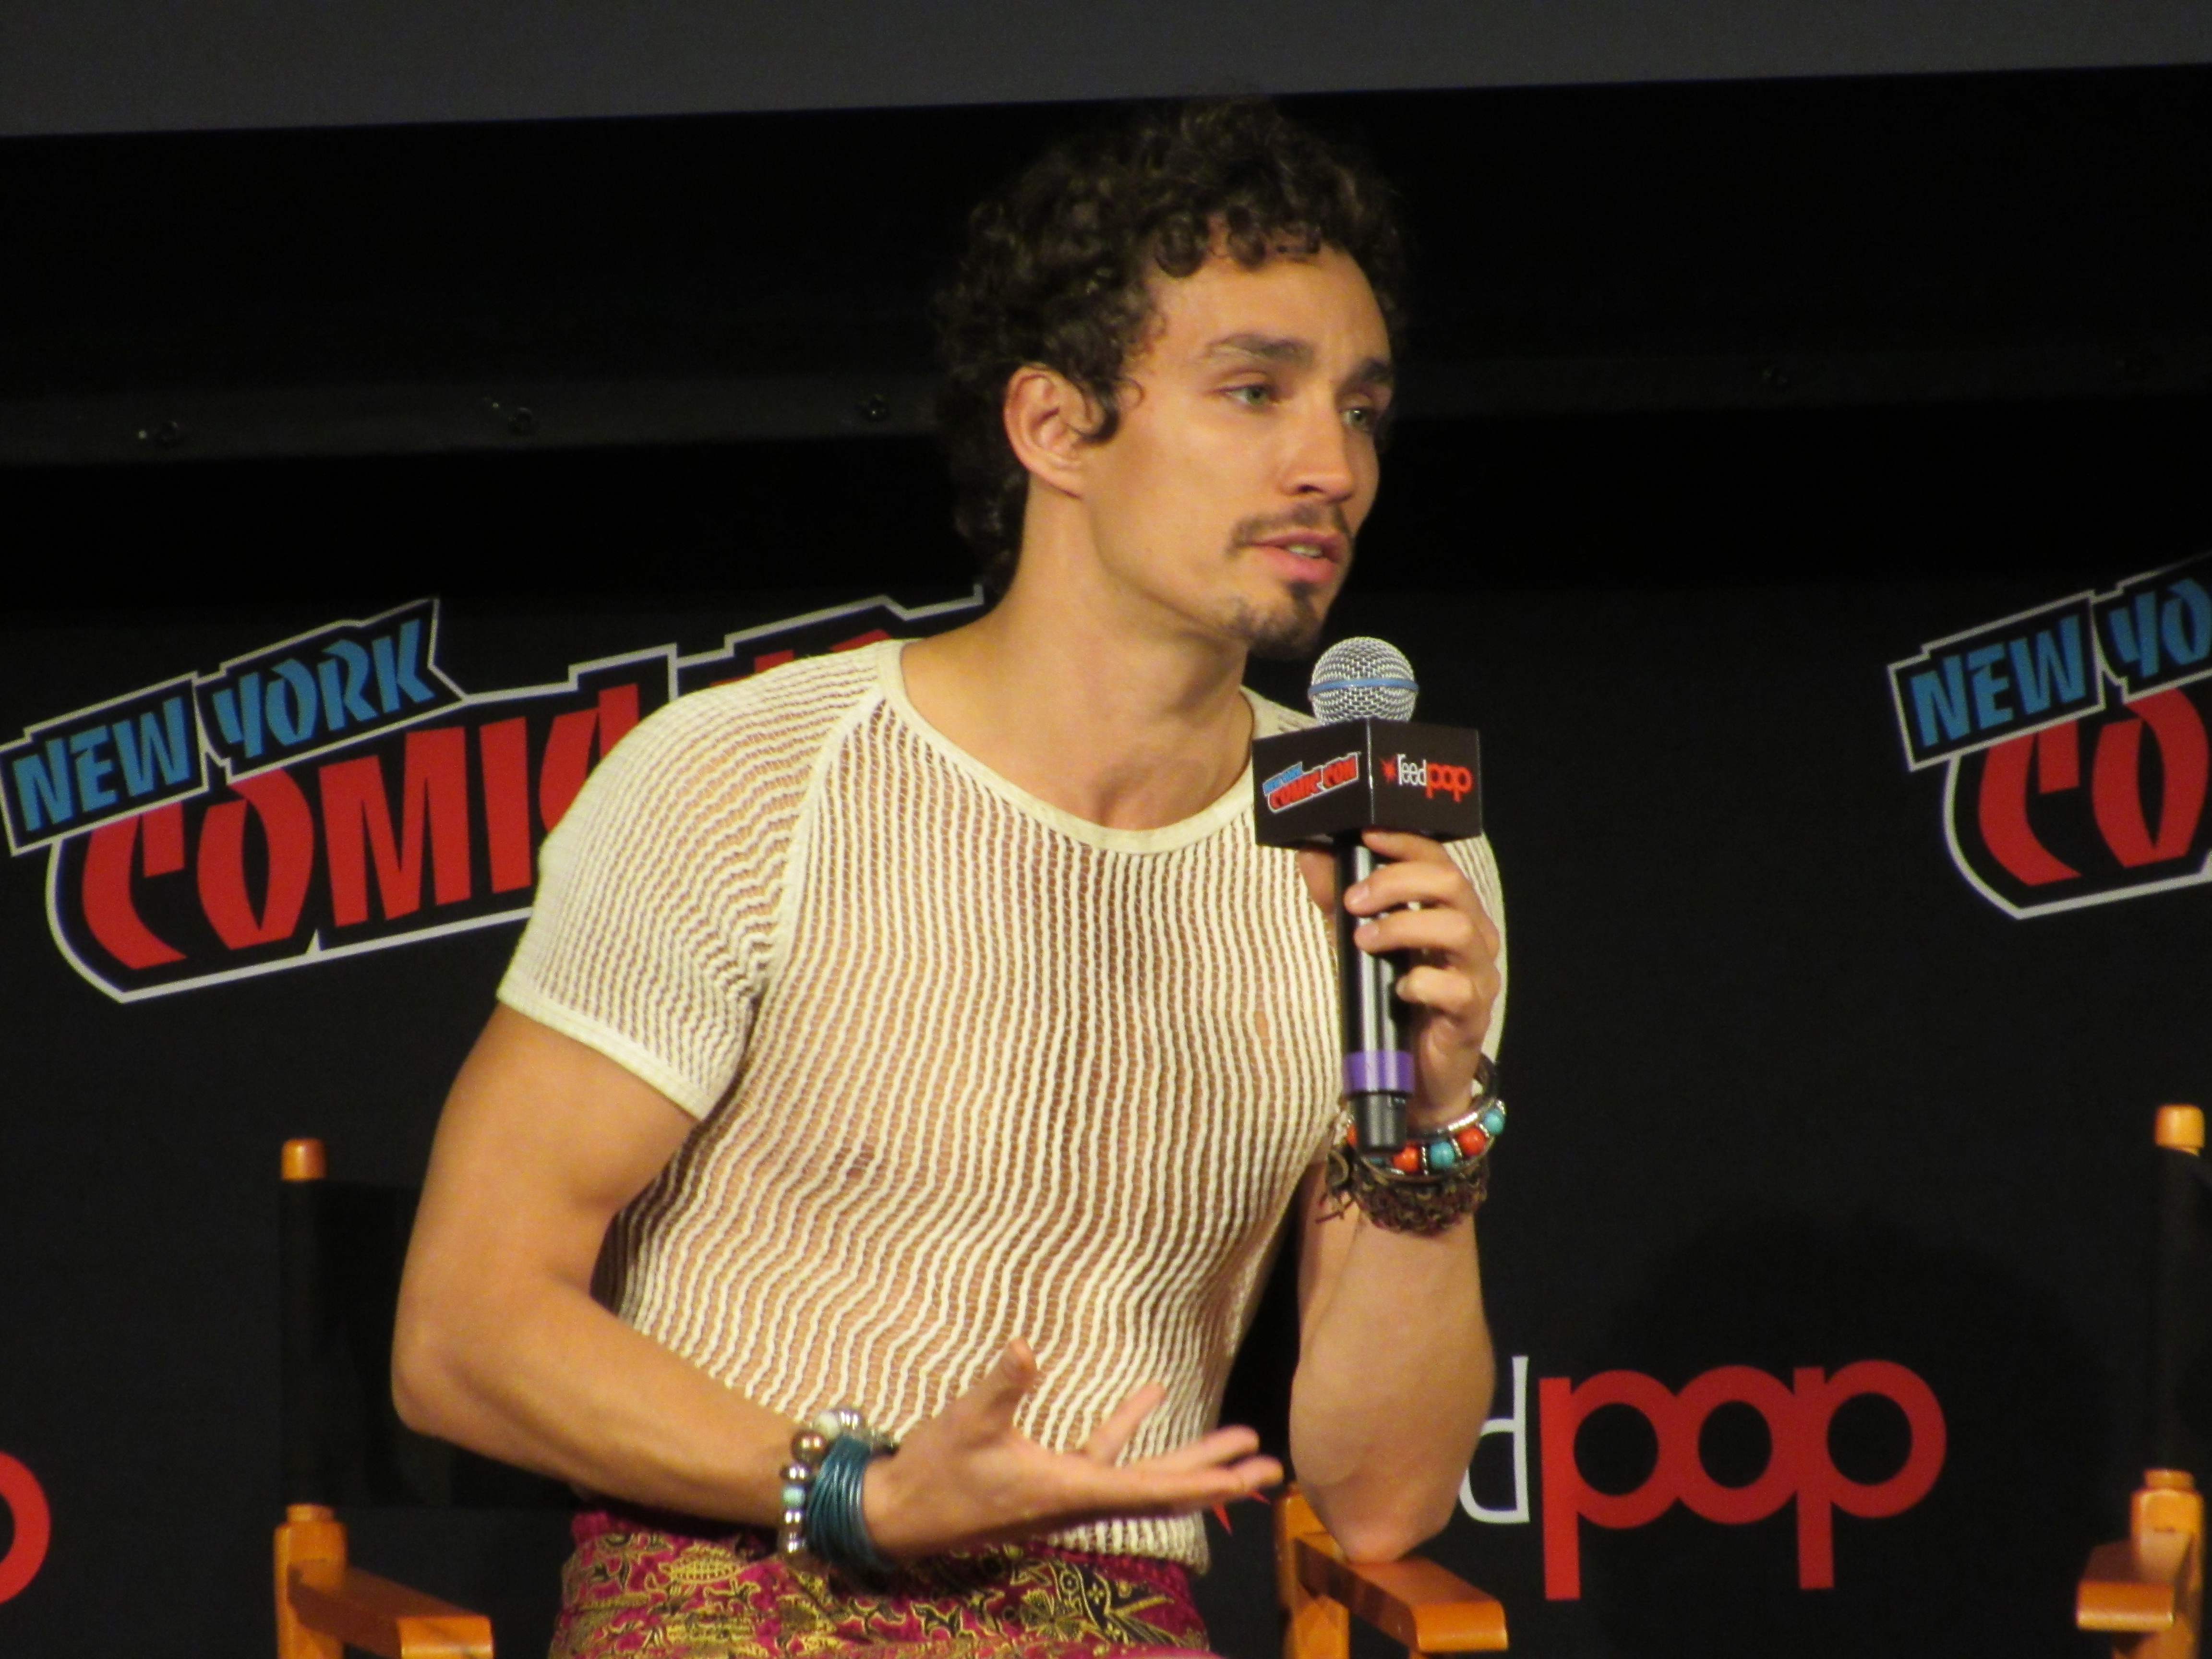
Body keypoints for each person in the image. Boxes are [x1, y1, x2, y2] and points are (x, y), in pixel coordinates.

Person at [393, 98, 1507, 1659]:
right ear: (1053, 425)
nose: (1330, 466)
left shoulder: (1384, 848)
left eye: (1363, 410)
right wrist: (862, 1489)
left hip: (1113, 1621)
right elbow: (463, 1334)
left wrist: (1435, 1129)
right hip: (744, 1589)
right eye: (1255, 391)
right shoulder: (751, 781)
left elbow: (1383, 1501)